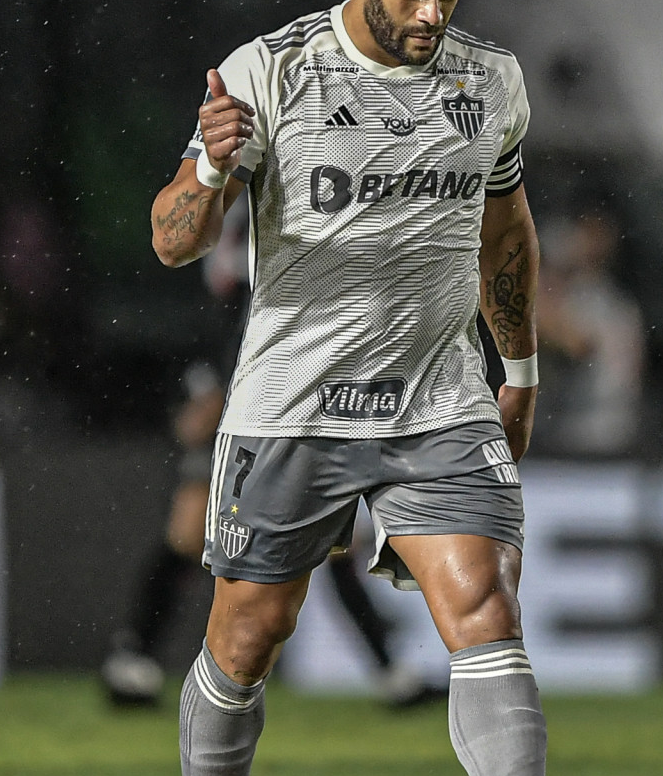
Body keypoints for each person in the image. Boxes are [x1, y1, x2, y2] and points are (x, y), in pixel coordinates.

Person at [148, 0, 626, 776]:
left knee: (484, 603)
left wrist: (523, 368)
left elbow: (507, 232)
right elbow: (173, 237)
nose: (431, 18)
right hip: (291, 406)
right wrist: (216, 163)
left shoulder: (490, 84)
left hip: (438, 400)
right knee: (248, 634)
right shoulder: (266, 73)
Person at [102, 193, 443, 710]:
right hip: (249, 374)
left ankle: (390, 672)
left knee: (329, 532)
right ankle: (134, 658)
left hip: (283, 377)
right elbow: (230, 296)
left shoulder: (288, 187)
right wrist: (210, 382)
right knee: (197, 525)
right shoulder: (252, 193)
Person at [536, 207, 644, 454]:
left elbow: (575, 344)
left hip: (598, 435)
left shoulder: (599, 297)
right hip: (575, 430)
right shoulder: (582, 290)